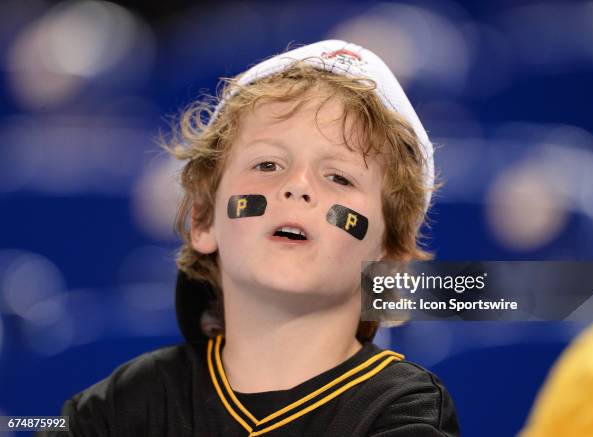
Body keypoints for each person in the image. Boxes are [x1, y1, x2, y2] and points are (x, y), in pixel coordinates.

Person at [38, 40, 460, 436]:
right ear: (203, 221)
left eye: (338, 176)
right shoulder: (126, 399)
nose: (297, 186)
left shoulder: (403, 408)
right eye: (268, 164)